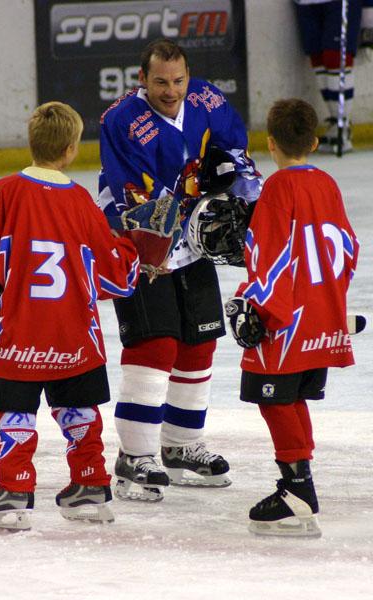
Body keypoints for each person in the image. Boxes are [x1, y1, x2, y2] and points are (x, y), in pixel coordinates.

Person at [98, 38, 263, 501]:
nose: (171, 90)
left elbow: (235, 152)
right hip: (141, 242)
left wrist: (241, 195)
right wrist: (186, 227)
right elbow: (137, 197)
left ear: (187, 76)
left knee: (199, 340)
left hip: (190, 240)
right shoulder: (121, 121)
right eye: (160, 82)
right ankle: (135, 456)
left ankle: (181, 445)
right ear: (142, 81)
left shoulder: (206, 98)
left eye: (178, 80)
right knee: (157, 343)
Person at [0, 101, 142, 530]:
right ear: (72, 149)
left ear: (31, 142)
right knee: (80, 409)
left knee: (11, 413)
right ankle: (89, 487)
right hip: (75, 335)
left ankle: (15, 491)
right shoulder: (81, 202)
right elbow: (115, 276)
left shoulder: (4, 192)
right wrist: (137, 247)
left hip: (19, 332)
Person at [224, 98, 359, 537]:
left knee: (273, 397)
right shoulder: (328, 184)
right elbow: (348, 248)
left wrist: (258, 307)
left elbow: (271, 257)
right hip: (322, 314)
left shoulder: (277, 188)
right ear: (315, 142)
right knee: (292, 396)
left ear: (270, 144)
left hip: (286, 321)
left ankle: (297, 487)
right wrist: (332, 304)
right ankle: (300, 482)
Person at [293, 0, 373, 153]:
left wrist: (369, 18)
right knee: (317, 58)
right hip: (305, 3)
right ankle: (338, 124)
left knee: (335, 58)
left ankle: (342, 125)